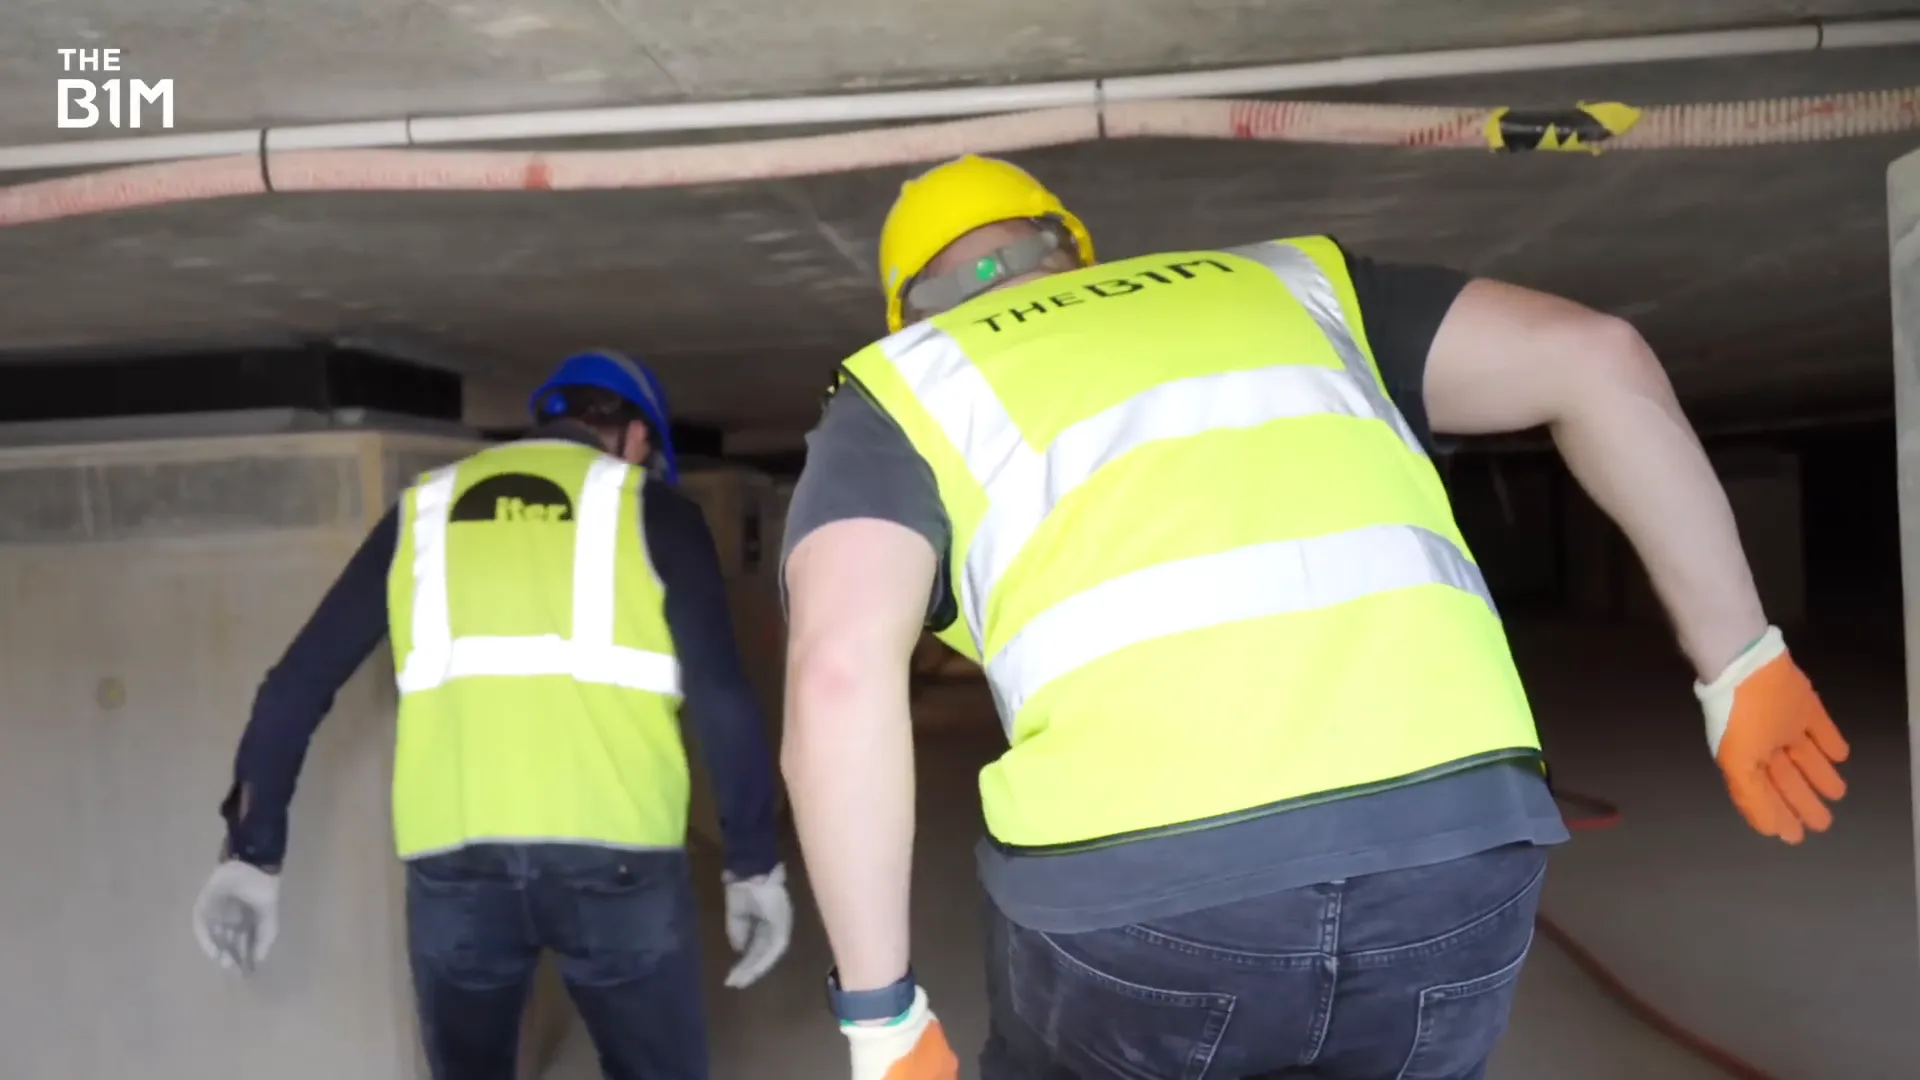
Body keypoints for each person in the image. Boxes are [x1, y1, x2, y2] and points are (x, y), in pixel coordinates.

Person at [776, 155, 1851, 1079]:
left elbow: (839, 674)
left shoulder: (906, 384)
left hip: (1143, 898)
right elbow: (1600, 357)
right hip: (1454, 850)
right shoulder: (1288, 282)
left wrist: (884, 1014)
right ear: (1080, 251)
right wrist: (1741, 661)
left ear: (906, 310)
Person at [191, 350, 793, 1080]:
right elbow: (724, 697)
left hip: (455, 861)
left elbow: (295, 685)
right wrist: (753, 864)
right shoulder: (654, 512)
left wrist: (251, 856)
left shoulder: (423, 509)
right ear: (636, 438)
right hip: (620, 856)